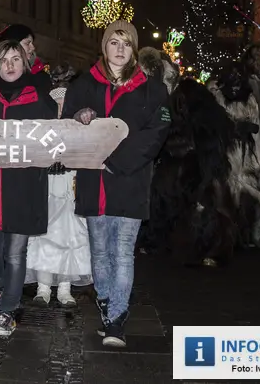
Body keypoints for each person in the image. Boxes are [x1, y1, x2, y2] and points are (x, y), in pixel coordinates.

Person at [61, 20, 170, 348]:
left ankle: (117, 320)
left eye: (126, 43)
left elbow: (156, 133)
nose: (120, 49)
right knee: (99, 251)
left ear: (134, 49)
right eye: (113, 42)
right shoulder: (84, 83)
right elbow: (66, 121)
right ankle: (108, 305)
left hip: (130, 182)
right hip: (94, 183)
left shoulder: (153, 89)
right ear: (104, 46)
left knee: (122, 252)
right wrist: (80, 117)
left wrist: (118, 161)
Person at [0, 39, 57, 337]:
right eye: (4, 59)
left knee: (16, 253)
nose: (10, 64)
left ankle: (8, 311)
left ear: (25, 63)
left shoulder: (40, 101)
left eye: (16, 58)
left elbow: (55, 140)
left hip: (23, 188)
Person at [25, 63, 92, 306]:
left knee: (69, 238)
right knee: (44, 237)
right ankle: (43, 287)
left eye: (65, 105)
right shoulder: (42, 130)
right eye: (57, 105)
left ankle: (64, 288)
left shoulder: (78, 131)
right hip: (47, 189)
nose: (61, 109)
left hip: (69, 189)